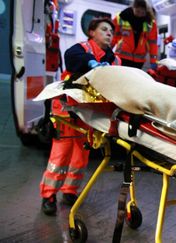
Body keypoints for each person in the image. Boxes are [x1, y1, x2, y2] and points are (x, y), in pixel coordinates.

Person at [40, 18, 121, 216]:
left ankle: (69, 191)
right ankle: (48, 195)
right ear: (92, 32)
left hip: (89, 114)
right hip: (67, 109)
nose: (109, 33)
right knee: (60, 157)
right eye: (104, 29)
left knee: (80, 157)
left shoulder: (114, 60)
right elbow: (72, 58)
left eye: (111, 30)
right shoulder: (81, 49)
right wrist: (91, 62)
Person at [112, 0, 158, 70]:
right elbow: (113, 36)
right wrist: (107, 51)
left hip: (139, 60)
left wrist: (153, 60)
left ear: (146, 11)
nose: (140, 14)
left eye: (142, 12)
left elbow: (153, 43)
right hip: (122, 56)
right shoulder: (121, 18)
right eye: (137, 11)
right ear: (133, 8)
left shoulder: (150, 23)